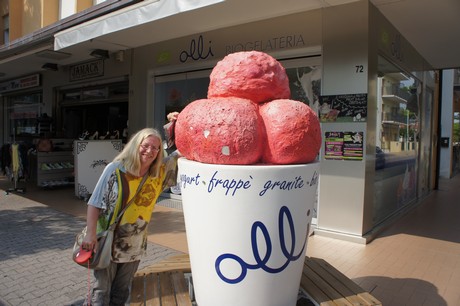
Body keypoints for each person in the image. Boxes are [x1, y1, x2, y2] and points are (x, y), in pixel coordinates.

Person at [81, 116, 180, 305]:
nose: (150, 150)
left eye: (155, 148)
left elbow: (183, 149)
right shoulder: (116, 169)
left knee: (122, 290)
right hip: (108, 240)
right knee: (101, 290)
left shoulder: (157, 173)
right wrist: (90, 234)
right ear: (136, 144)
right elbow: (94, 202)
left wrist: (179, 120)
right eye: (146, 145)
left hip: (134, 244)